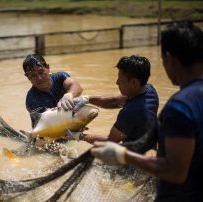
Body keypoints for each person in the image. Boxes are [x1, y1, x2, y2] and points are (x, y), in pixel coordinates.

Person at [91, 21, 203, 201]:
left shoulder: (180, 107)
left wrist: (124, 155)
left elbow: (175, 171)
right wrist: (86, 99)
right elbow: (115, 100)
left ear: (170, 59)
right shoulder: (151, 91)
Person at [74, 55, 159, 146]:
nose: (117, 82)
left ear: (134, 83)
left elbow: (109, 142)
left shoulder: (131, 112)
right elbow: (114, 101)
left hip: (135, 156)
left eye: (120, 78)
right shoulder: (149, 91)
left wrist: (80, 136)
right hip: (150, 147)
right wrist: (86, 99)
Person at [23, 54, 83, 127]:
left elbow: (77, 86)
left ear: (48, 68)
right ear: (28, 77)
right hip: (49, 129)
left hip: (68, 118)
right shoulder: (32, 99)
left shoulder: (60, 77)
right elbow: (48, 121)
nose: (39, 78)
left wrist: (69, 94)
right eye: (33, 76)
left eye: (41, 72)